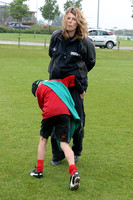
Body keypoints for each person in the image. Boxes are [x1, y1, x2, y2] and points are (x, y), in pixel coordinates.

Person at [48, 7, 96, 165]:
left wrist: (80, 83)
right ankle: (57, 154)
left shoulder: (85, 42)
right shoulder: (56, 37)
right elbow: (52, 55)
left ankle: (76, 150)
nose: (70, 22)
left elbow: (90, 63)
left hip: (75, 87)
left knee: (77, 119)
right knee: (55, 118)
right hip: (56, 86)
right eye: (68, 18)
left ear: (78, 22)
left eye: (73, 19)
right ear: (64, 20)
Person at [29, 75, 84, 190]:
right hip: (65, 113)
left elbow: (42, 105)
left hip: (49, 112)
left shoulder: (39, 88)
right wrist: (82, 91)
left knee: (43, 139)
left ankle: (39, 170)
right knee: (64, 143)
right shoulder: (59, 82)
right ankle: (74, 172)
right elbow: (73, 78)